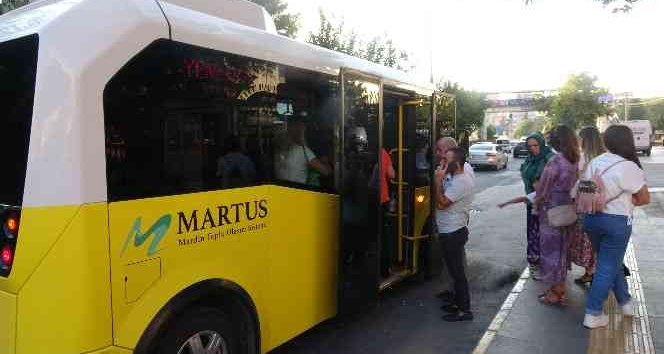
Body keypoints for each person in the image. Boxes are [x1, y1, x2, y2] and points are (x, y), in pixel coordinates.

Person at [582, 125, 650, 328]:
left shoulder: (594, 162)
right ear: (629, 141)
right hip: (617, 222)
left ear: (606, 142)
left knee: (611, 262)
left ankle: (626, 302)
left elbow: (586, 192)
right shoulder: (628, 166)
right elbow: (644, 198)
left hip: (592, 219)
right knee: (607, 265)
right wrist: (630, 201)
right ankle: (593, 313)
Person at [534, 125, 579, 305]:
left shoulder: (555, 161)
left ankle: (556, 292)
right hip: (568, 209)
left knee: (550, 251)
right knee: (562, 251)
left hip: (551, 211)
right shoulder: (575, 159)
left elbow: (543, 188)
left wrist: (536, 203)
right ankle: (559, 290)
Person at [435, 147, 474, 322]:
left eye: (447, 159)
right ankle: (458, 303)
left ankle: (465, 310)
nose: (443, 160)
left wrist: (437, 181)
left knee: (457, 273)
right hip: (447, 230)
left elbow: (442, 203)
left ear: (456, 164)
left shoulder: (461, 182)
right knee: (453, 271)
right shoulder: (454, 177)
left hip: (453, 232)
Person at [570, 127, 604, 285]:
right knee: (599, 240)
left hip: (584, 204)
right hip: (603, 204)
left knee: (586, 238)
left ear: (584, 140)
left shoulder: (582, 158)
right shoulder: (605, 157)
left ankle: (590, 272)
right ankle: (598, 272)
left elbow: (578, 180)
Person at [519, 132, 554, 279]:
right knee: (533, 233)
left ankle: (548, 264)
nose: (533, 148)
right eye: (530, 146)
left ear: (541, 144)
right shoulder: (529, 159)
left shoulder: (549, 157)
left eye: (535, 145)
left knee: (546, 234)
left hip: (547, 203)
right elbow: (524, 172)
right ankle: (534, 262)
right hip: (531, 201)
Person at [274, 112, 332, 185]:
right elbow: (326, 172)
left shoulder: (279, 147)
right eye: (304, 128)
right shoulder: (302, 151)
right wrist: (325, 161)